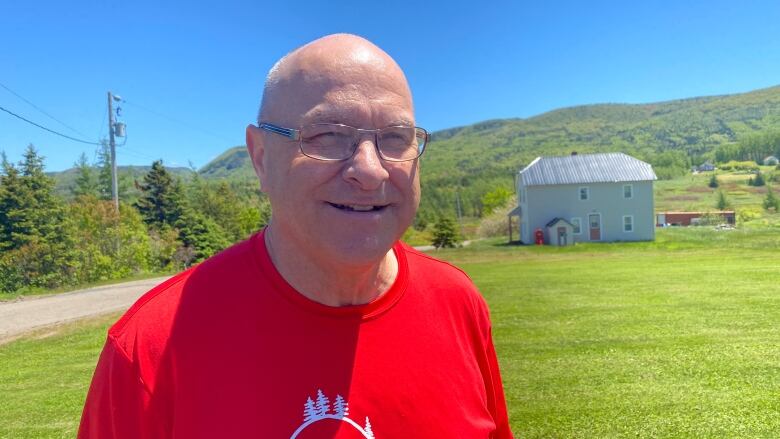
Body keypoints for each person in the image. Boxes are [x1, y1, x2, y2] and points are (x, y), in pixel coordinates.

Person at [79, 33, 513, 438]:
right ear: (261, 157)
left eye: (396, 138)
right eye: (327, 136)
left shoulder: (458, 304)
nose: (369, 169)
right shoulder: (149, 348)